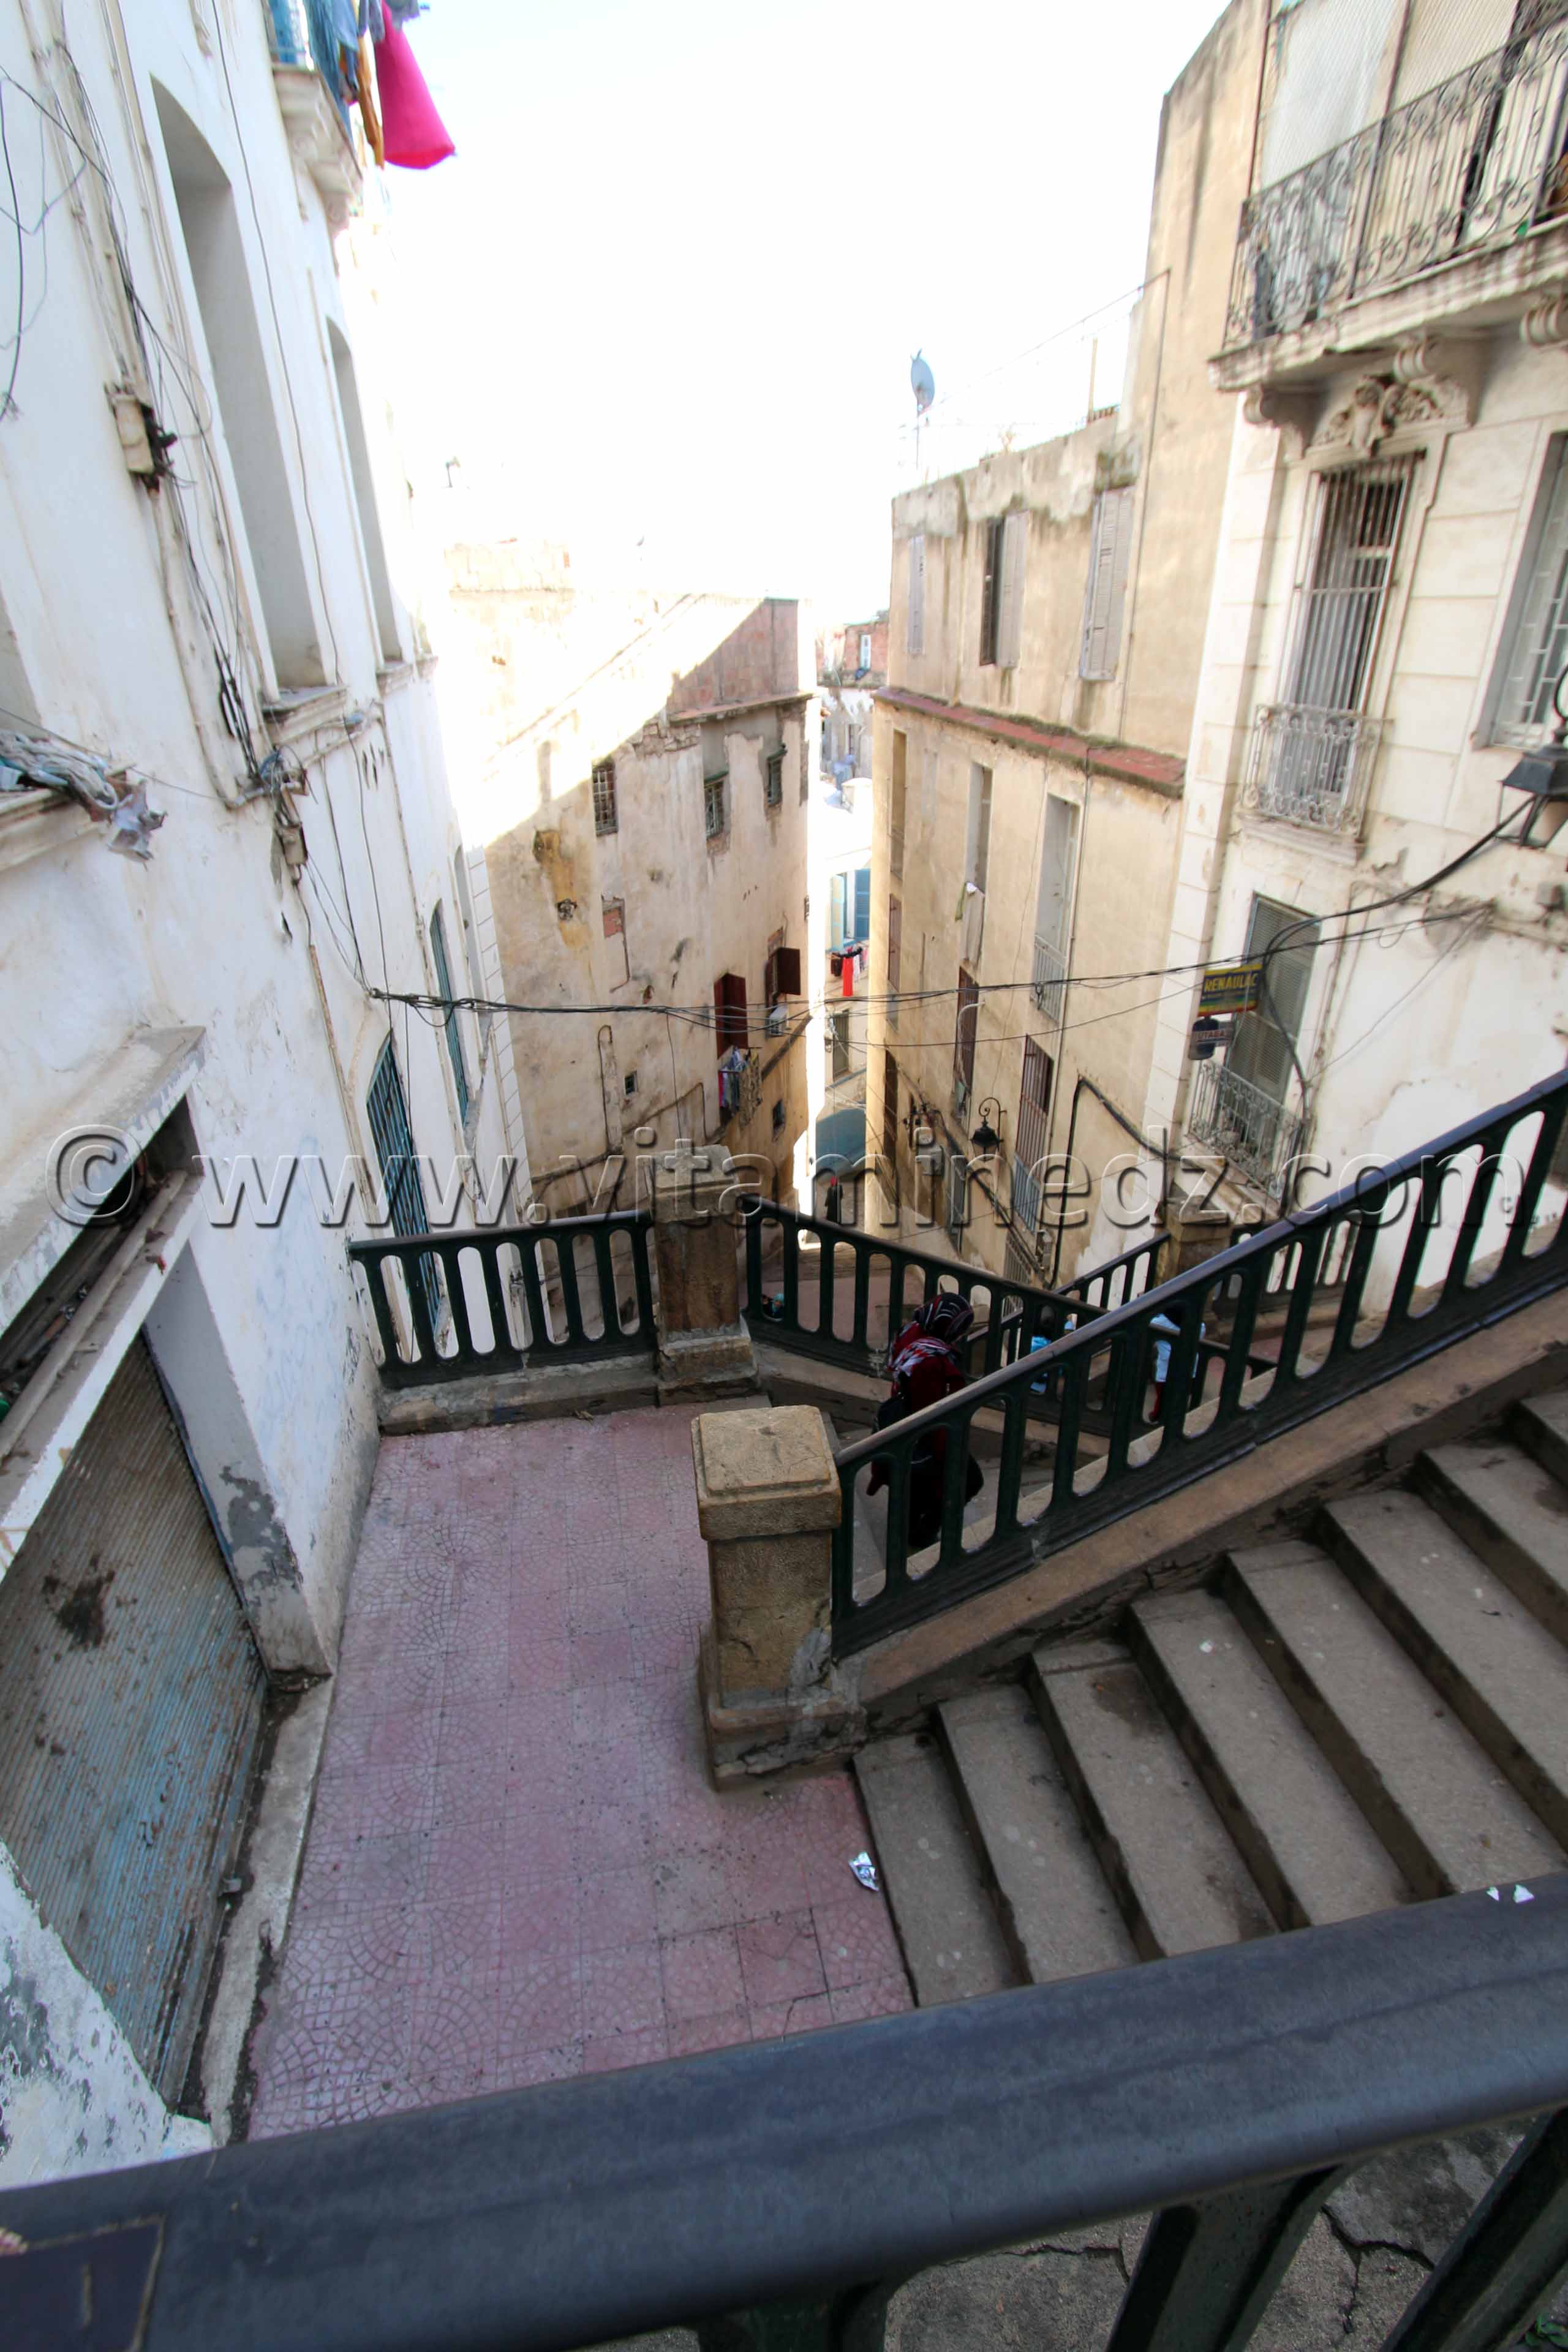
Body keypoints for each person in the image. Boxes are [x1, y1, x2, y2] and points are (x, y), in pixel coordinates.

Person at [867, 1294, 984, 1551]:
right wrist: (947, 1454)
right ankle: (921, 1534)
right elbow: (930, 1414)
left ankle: (910, 1532)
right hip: (924, 1440)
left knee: (914, 1493)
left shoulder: (913, 1334)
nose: (961, 1336)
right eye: (960, 1329)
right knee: (969, 1480)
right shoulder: (931, 1363)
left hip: (907, 1431)